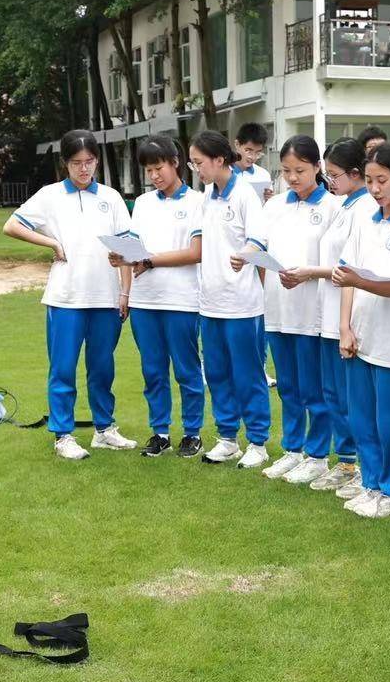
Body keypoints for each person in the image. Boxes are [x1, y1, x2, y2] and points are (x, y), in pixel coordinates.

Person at [4, 130, 137, 460]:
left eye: (90, 162)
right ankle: (63, 434)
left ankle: (105, 430)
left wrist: (125, 292)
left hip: (106, 297)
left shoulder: (111, 197)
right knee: (63, 368)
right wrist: (51, 242)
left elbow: (127, 249)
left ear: (97, 161)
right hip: (66, 298)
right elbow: (12, 225)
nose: (84, 169)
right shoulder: (49, 196)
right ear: (65, 163)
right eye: (77, 163)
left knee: (102, 368)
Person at [334, 142, 390, 518]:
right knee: (361, 418)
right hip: (361, 333)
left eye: (381, 180)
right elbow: (346, 278)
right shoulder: (364, 221)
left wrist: (360, 280)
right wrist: (344, 327)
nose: (374, 189)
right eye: (369, 180)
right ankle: (371, 484)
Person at [250, 135, 336, 485]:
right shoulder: (274, 206)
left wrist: (305, 275)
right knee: (287, 385)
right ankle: (293, 449)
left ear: (317, 167)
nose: (293, 177)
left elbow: (335, 264)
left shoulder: (332, 208)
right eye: (286, 171)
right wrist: (247, 256)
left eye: (300, 170)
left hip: (311, 312)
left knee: (313, 387)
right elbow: (260, 243)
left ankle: (317, 454)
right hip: (278, 307)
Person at [117, 136, 205, 458]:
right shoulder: (142, 204)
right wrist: (122, 258)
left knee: (186, 369)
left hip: (181, 300)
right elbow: (134, 247)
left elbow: (196, 252)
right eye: (149, 170)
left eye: (159, 168)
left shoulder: (197, 202)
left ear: (175, 162)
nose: (154, 175)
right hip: (145, 301)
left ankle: (192, 432)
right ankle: (160, 432)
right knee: (153, 370)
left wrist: (150, 260)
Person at [190, 130, 273, 468]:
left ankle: (257, 441)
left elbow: (259, 240)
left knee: (248, 373)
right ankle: (227, 438)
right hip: (210, 303)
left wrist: (246, 253)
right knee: (218, 373)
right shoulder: (207, 196)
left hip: (242, 304)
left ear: (219, 160)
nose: (196, 169)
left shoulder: (245, 196)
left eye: (199, 162)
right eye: (193, 163)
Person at [290, 137, 368, 493]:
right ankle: (347, 461)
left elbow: (349, 267)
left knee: (352, 399)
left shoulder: (363, 208)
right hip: (328, 312)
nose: (329, 182)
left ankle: (362, 467)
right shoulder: (345, 206)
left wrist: (309, 271)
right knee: (332, 394)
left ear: (356, 174)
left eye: (335, 175)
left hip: (346, 314)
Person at [233, 122, 273, 199]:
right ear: (237, 144)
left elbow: (268, 208)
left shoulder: (263, 175)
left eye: (258, 152)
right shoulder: (221, 173)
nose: (253, 157)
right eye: (248, 150)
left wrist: (270, 200)